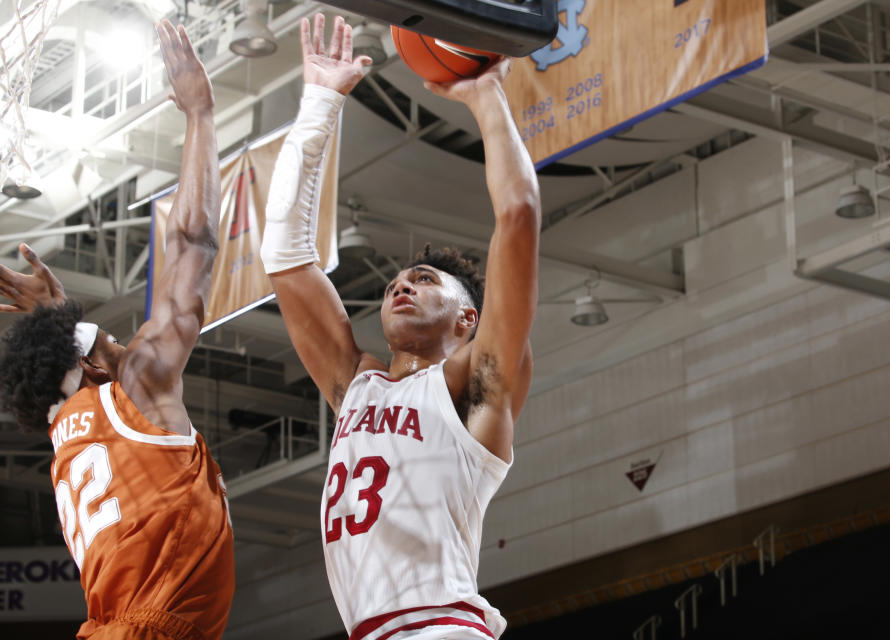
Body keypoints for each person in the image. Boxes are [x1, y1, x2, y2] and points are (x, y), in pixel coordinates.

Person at [260, 13, 540, 640]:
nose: (400, 285)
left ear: (468, 319)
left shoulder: (477, 386)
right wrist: (320, 104)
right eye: (395, 282)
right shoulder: (354, 384)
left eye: (425, 280)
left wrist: (485, 92)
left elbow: (518, 215)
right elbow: (282, 255)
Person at [0, 21, 233, 640]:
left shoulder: (64, 431)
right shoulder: (136, 384)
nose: (129, 344)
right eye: (113, 343)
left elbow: (70, 361)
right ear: (98, 368)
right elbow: (192, 246)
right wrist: (201, 116)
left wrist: (57, 316)